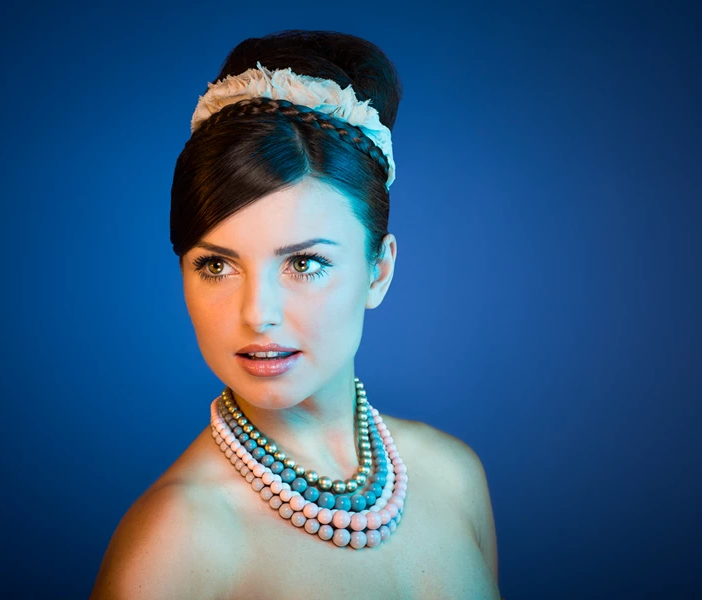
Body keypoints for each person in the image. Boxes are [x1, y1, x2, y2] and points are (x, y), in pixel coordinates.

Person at [90, 30, 501, 599]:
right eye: (216, 266)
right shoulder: (177, 542)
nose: (258, 314)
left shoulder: (452, 476)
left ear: (378, 272)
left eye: (305, 263)